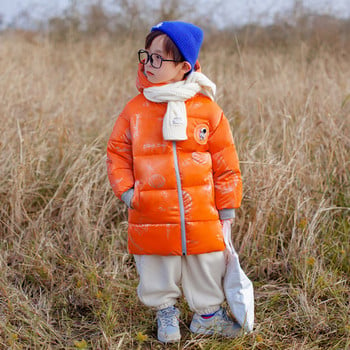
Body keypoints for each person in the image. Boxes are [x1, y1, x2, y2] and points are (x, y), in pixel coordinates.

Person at [107, 21, 243, 343]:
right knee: (156, 259)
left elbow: (226, 162)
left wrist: (227, 204)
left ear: (183, 67)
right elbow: (117, 153)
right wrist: (128, 192)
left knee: (207, 260)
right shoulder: (135, 110)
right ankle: (165, 311)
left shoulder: (207, 111)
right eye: (146, 55)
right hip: (150, 206)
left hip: (202, 208)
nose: (148, 64)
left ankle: (207, 315)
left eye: (158, 58)